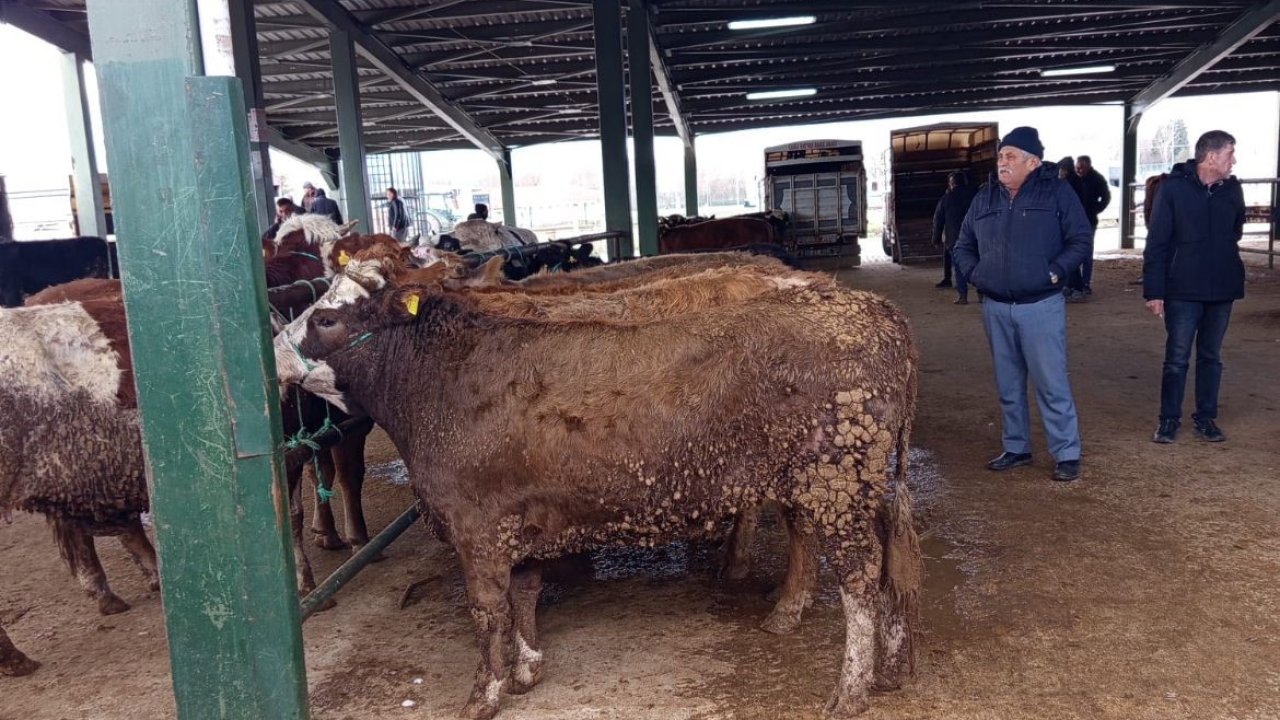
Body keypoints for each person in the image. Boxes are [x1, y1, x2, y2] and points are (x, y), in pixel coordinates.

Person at [952, 126, 1093, 482]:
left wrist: (1054, 274)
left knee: (1051, 381)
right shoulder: (985, 198)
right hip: (995, 306)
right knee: (1008, 384)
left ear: (1033, 162)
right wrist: (976, 276)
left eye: (1010, 156)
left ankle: (1066, 452)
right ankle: (1016, 447)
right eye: (1001, 156)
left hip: (1040, 304)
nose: (1002, 162)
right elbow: (962, 244)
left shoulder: (1057, 193)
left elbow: (1080, 239)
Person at [1143, 130, 1244, 445]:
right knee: (1177, 357)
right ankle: (1168, 420)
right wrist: (1154, 291)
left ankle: (1205, 417)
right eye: (1230, 154)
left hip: (1222, 288)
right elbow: (1157, 241)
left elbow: (1236, 230)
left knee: (1211, 357)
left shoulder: (1232, 190)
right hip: (1182, 289)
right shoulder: (1172, 189)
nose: (1234, 161)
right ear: (1211, 157)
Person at [931, 171, 978, 303]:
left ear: (952, 183)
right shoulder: (976, 196)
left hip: (955, 239)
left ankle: (963, 296)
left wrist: (936, 239)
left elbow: (938, 220)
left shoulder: (947, 198)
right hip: (976, 237)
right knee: (979, 265)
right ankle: (981, 294)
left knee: (959, 267)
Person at [1069, 155, 1111, 297]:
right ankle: (1074, 284)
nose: (1078, 170)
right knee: (1072, 252)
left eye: (1081, 168)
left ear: (1088, 166)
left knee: (1086, 253)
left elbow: (1106, 197)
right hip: (1073, 222)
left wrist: (1095, 209)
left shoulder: (1097, 179)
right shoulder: (1071, 179)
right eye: (1077, 167)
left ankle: (1085, 283)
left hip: (1089, 221)